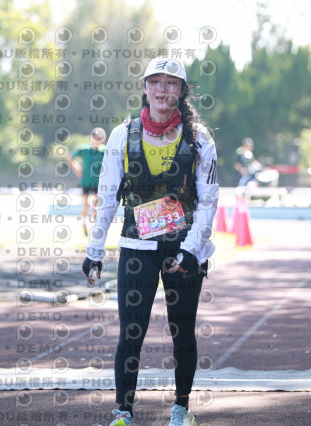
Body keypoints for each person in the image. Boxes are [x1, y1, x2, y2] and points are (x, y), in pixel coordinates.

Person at [82, 57, 218, 426]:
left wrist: (191, 251)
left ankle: (181, 408)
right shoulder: (121, 135)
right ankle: (123, 412)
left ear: (182, 91)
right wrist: (94, 251)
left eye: (171, 83)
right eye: (155, 81)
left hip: (183, 249)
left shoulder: (200, 138)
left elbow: (208, 201)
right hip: (136, 248)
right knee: (131, 332)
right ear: (144, 87)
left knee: (182, 332)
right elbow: (106, 197)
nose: (162, 89)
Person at [66, 127, 107, 235]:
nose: (97, 139)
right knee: (85, 204)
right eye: (95, 137)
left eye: (99, 138)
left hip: (99, 182)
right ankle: (84, 224)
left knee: (97, 205)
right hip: (86, 181)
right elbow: (69, 157)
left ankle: (97, 226)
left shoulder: (104, 150)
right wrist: (77, 168)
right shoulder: (85, 149)